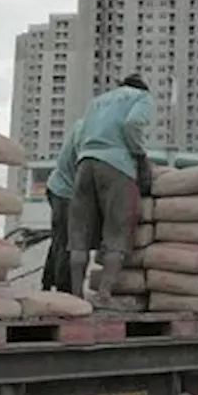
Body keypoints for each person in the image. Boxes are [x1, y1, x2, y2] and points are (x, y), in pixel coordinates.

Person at [68, 74, 155, 308]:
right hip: (117, 165)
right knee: (118, 230)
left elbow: (79, 135)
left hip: (84, 164)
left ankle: (76, 296)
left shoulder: (97, 102)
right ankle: (104, 294)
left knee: (79, 235)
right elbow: (132, 124)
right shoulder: (142, 97)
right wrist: (139, 154)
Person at [41, 118, 83, 294]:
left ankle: (48, 282)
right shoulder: (90, 133)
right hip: (64, 191)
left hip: (57, 187)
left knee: (59, 238)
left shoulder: (85, 124)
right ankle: (63, 289)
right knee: (67, 241)